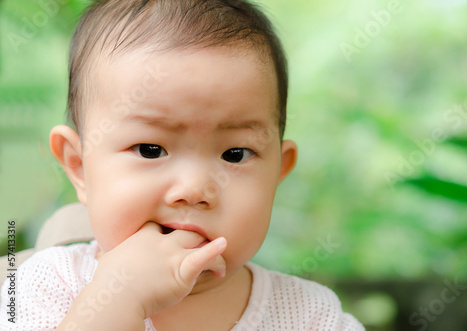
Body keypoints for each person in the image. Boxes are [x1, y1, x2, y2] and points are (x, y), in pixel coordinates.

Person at [1, 0, 364, 330]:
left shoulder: (311, 315)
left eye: (234, 154)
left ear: (276, 174)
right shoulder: (47, 286)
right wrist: (117, 301)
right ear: (79, 167)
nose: (193, 189)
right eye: (149, 149)